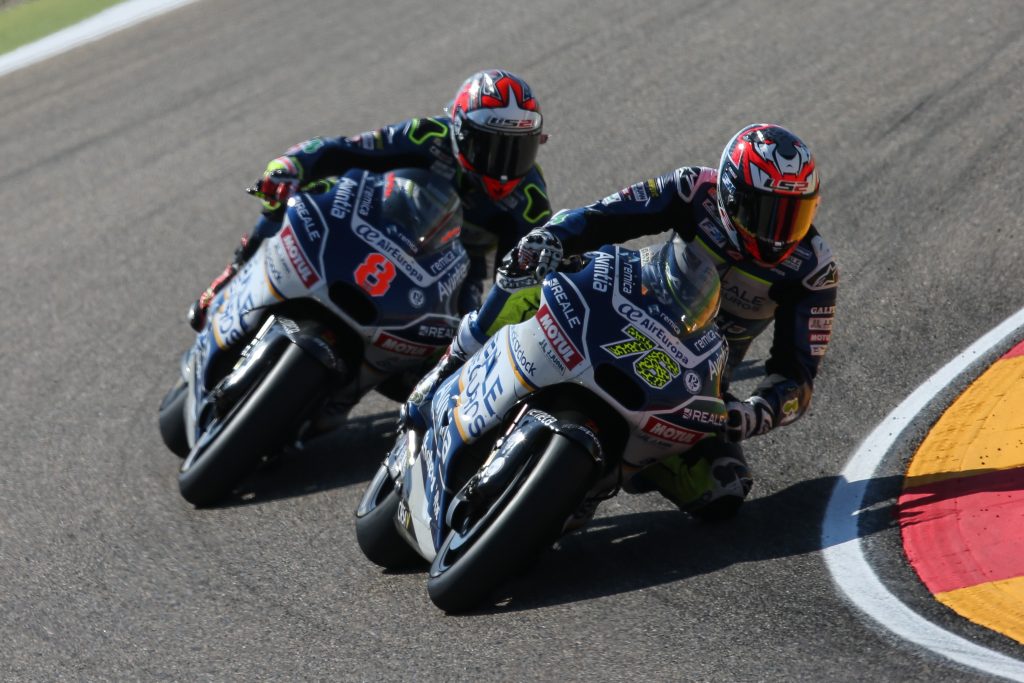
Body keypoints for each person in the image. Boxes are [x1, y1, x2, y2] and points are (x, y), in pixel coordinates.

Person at [410, 123, 838, 523]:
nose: (779, 234)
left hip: (698, 375)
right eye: (766, 214)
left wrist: (755, 413)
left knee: (723, 488)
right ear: (729, 196)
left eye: (793, 216)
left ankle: (594, 480)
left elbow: (798, 378)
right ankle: (454, 361)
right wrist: (554, 238)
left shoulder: (812, 270)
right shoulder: (694, 190)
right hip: (631, 309)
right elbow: (604, 215)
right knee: (532, 270)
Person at [187, 69, 552, 332]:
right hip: (383, 219)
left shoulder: (530, 199)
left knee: (468, 329)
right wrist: (289, 165)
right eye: (490, 147)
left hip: (460, 262)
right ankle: (235, 271)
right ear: (458, 130)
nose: (503, 167)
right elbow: (345, 149)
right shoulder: (427, 135)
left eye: (517, 150)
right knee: (290, 192)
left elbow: (524, 279)